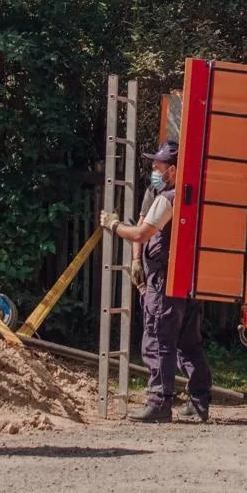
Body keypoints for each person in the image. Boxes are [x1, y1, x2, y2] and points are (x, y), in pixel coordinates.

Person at [101, 139, 211, 423]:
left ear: (173, 169)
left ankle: (159, 403)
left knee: (159, 339)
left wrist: (112, 224)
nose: (154, 168)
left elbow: (140, 234)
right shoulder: (193, 195)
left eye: (159, 164)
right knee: (189, 343)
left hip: (165, 281)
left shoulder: (168, 198)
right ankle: (199, 403)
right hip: (188, 279)